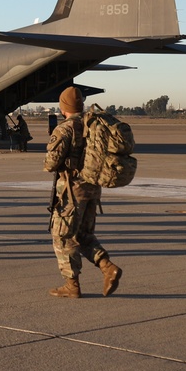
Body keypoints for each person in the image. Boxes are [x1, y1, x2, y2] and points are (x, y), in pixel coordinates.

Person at [44, 86, 122, 298]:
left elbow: (51, 164)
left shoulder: (65, 129)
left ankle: (72, 285)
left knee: (62, 236)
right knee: (84, 234)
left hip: (71, 191)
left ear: (63, 108)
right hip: (93, 188)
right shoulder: (93, 125)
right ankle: (108, 268)